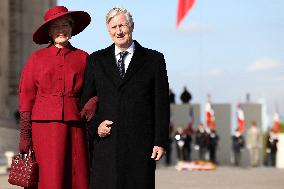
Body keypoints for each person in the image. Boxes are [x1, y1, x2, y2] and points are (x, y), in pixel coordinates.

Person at [80, 7, 170, 189]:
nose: (119, 31)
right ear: (108, 30)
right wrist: (96, 125)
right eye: (114, 27)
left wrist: (160, 141)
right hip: (107, 146)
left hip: (140, 145)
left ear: (132, 26)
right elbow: (85, 102)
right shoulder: (95, 61)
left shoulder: (154, 60)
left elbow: (161, 104)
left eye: (122, 25)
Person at [18, 6, 93, 189]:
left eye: (66, 25)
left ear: (72, 28)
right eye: (56, 26)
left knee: (76, 176)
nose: (62, 30)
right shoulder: (36, 59)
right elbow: (26, 97)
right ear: (49, 31)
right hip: (43, 129)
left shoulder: (84, 58)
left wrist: (92, 103)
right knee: (49, 177)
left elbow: (95, 90)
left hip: (75, 127)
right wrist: (25, 135)